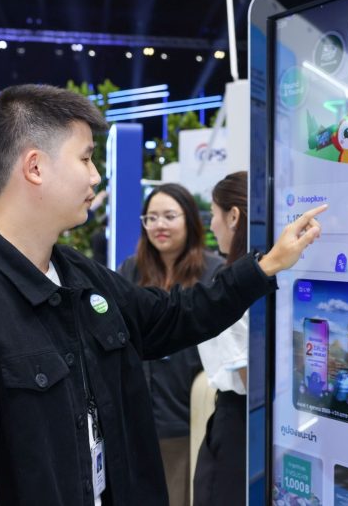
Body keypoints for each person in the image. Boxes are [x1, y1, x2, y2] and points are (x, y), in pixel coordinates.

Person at [0, 84, 325, 506]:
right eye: (85, 158)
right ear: (35, 167)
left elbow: (173, 316)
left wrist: (263, 267)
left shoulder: (79, 276)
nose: (95, 175)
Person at [118, 183, 222, 506]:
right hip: (138, 417)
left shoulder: (213, 272)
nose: (159, 225)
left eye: (169, 216)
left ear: (189, 220)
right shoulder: (130, 270)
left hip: (190, 415)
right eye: (151, 218)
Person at [192, 171, 250, 505]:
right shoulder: (271, 273)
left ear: (233, 216)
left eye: (214, 214)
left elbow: (246, 376)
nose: (211, 225)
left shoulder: (234, 284)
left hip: (238, 424)